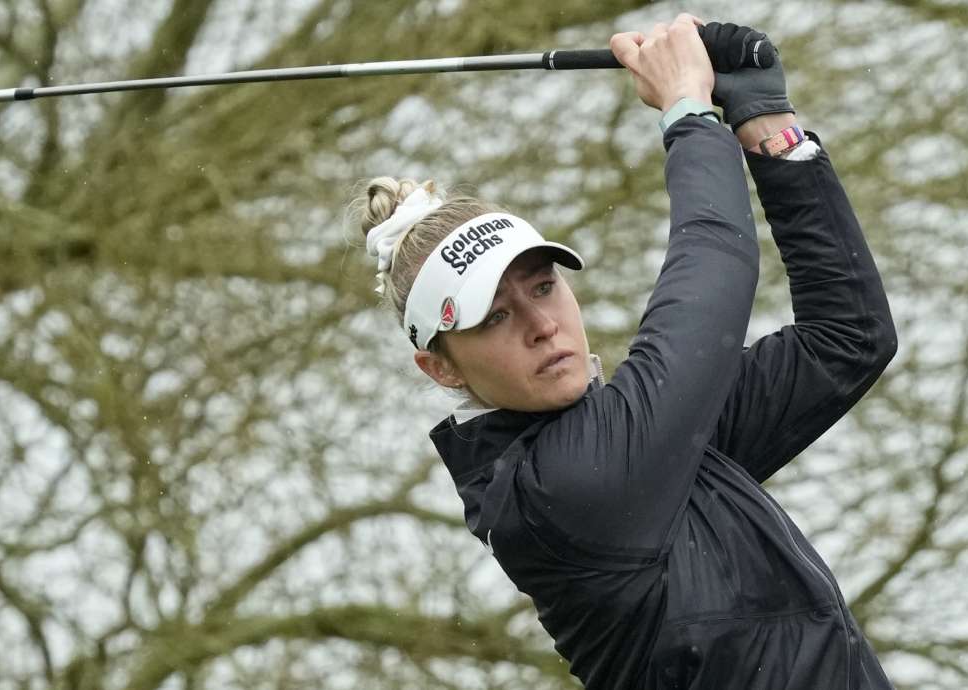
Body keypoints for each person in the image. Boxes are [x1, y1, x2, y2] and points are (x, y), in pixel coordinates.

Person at [348, 15, 897, 690]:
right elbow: (715, 268)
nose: (541, 325)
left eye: (543, 287)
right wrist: (688, 113)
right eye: (494, 317)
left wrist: (768, 127)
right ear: (440, 366)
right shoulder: (563, 488)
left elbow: (848, 338)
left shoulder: (651, 444)